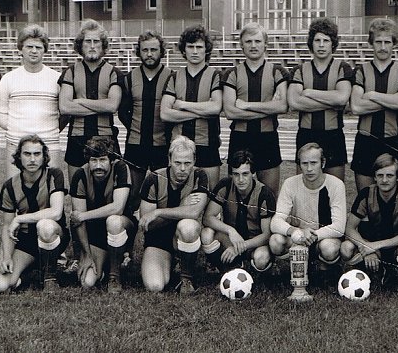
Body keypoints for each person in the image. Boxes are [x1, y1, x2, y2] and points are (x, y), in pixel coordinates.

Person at [118, 31, 171, 261]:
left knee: (164, 199)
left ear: (162, 52)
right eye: (145, 50)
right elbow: (123, 111)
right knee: (130, 199)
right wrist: (136, 129)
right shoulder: (129, 79)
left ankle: (163, 248)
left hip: (162, 146)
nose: (149, 54)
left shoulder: (171, 77)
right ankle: (126, 249)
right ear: (138, 52)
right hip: (136, 146)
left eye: (154, 49)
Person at [0, 135, 69, 292]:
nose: (32, 159)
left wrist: (20, 218)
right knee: (0, 286)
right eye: (27, 154)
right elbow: (7, 225)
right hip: (26, 241)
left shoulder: (54, 175)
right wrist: (6, 256)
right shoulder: (10, 186)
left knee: (45, 225)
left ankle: (50, 277)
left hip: (54, 235)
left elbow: (56, 213)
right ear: (19, 156)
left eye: (37, 154)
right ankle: (31, 271)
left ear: (44, 156)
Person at [222, 22, 288, 195]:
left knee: (270, 194)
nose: (253, 45)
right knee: (236, 194)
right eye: (248, 41)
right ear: (241, 45)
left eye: (258, 41)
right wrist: (268, 108)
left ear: (265, 44)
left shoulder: (277, 72)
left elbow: (282, 106)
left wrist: (246, 105)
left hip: (268, 139)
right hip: (240, 138)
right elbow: (230, 112)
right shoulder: (231, 74)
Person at [137, 136, 209, 293]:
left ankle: (186, 277)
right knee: (155, 286)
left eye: (187, 163)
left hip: (182, 235)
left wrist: (159, 211)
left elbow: (194, 211)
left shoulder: (199, 176)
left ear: (194, 161)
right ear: (169, 160)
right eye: (178, 163)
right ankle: (169, 262)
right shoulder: (154, 178)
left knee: (188, 226)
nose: (183, 168)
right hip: (158, 240)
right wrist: (181, 207)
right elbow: (147, 225)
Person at [350, 18, 398, 194]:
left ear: (394, 44)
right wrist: (393, 100)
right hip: (366, 140)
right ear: (371, 43)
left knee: (395, 201)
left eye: (387, 42)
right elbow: (356, 107)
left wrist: (373, 95)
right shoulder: (360, 71)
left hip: (393, 140)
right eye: (378, 42)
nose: (383, 47)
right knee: (366, 198)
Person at [287, 18, 353, 181]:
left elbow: (342, 98)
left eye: (326, 40)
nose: (321, 45)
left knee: (334, 189)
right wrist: (331, 100)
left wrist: (309, 92)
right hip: (306, 135)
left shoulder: (343, 68)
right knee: (304, 190)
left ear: (333, 44)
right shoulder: (299, 70)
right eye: (317, 40)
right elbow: (295, 102)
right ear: (311, 43)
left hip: (334, 135)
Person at [68, 136, 134, 292]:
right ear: (88, 161)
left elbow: (117, 208)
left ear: (110, 160)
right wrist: (87, 255)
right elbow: (77, 222)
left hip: (122, 225)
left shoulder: (121, 168)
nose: (98, 166)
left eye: (103, 160)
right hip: (95, 232)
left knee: (113, 221)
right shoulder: (80, 175)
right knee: (88, 282)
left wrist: (84, 215)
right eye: (93, 161)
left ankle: (114, 275)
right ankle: (102, 264)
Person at [59, 19, 122, 182]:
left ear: (103, 45)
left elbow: (112, 105)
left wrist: (80, 101)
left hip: (106, 137)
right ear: (80, 45)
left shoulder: (114, 73)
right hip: (77, 138)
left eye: (96, 41)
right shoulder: (70, 72)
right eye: (88, 41)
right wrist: (102, 105)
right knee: (77, 189)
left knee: (108, 191)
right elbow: (65, 107)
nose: (92, 45)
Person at [161, 25, 223, 188]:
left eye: (199, 47)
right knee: (179, 197)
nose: (195, 51)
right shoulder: (174, 77)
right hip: (180, 147)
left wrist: (182, 105)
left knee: (209, 197)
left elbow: (216, 108)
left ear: (206, 50)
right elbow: (166, 114)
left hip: (207, 145)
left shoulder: (215, 75)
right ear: (184, 50)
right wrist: (202, 111)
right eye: (190, 47)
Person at [341, 153, 398, 283]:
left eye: (389, 175)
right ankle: (365, 270)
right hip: (370, 244)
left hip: (396, 246)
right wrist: (365, 247)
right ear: (375, 177)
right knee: (346, 247)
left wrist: (376, 246)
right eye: (380, 175)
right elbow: (350, 228)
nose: (384, 180)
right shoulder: (366, 194)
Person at [0, 25, 62, 177]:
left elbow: (64, 113)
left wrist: (48, 130)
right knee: (16, 192)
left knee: (50, 191)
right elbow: (1, 113)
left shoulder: (57, 78)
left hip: (49, 144)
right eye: (29, 47)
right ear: (21, 49)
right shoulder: (9, 79)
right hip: (16, 144)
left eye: (38, 47)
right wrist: (20, 131)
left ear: (44, 50)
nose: (34, 51)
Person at [270, 143, 346, 270]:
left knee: (329, 248)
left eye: (313, 163)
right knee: (275, 241)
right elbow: (276, 222)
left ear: (323, 163)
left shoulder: (336, 184)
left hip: (322, 238)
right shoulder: (290, 183)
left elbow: (339, 227)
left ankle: (325, 269)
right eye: (305, 163)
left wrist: (313, 235)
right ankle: (297, 267)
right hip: (297, 238)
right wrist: (295, 232)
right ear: (300, 165)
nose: (309, 168)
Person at [201, 150, 275, 274]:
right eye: (236, 174)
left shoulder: (264, 193)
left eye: (245, 174)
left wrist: (242, 246)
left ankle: (257, 272)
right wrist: (231, 231)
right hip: (231, 239)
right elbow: (208, 218)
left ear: (253, 173)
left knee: (261, 259)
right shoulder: (225, 186)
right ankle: (227, 267)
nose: (240, 179)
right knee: (206, 233)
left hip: (254, 243)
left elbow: (267, 234)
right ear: (231, 174)